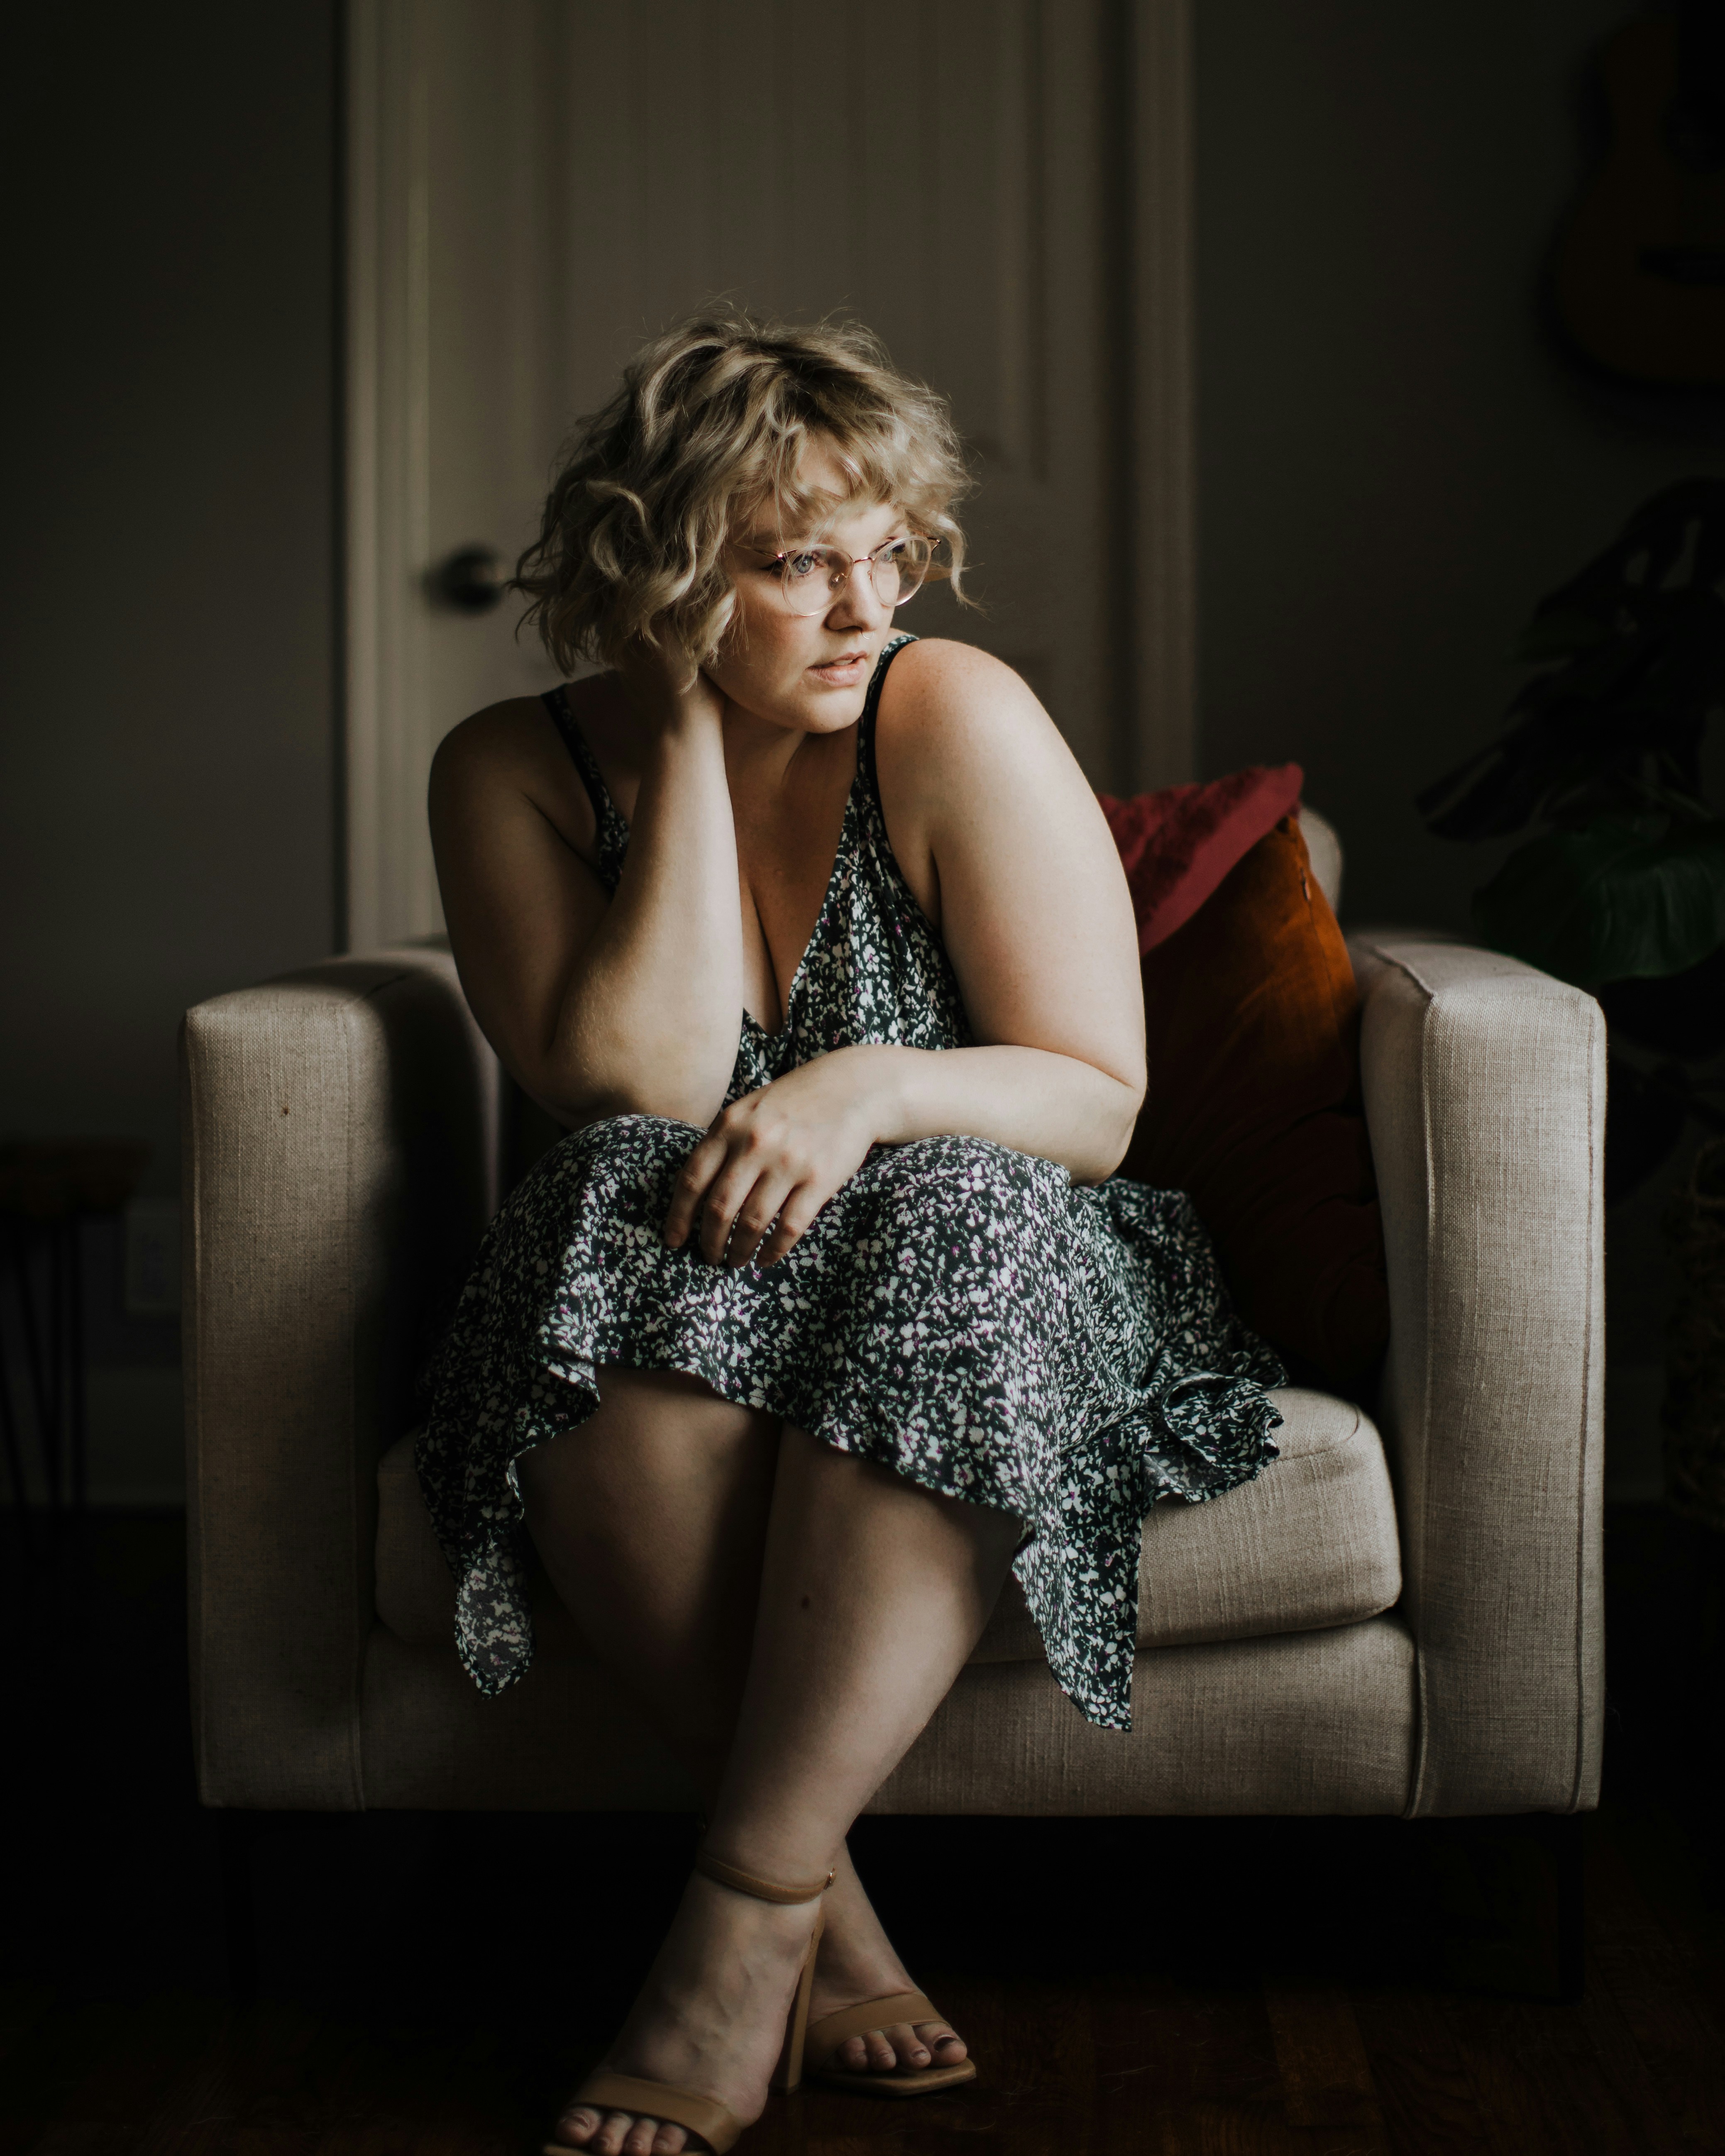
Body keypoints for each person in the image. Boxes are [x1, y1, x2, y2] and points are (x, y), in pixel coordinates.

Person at [421, 314, 1285, 2156]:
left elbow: (1088, 1099)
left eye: (889, 553)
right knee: (594, 1213)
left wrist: (867, 1087)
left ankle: (731, 1934)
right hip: (711, 1258)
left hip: (1001, 1254)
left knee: (959, 1203)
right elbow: (633, 1092)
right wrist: (677, 735)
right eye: (793, 562)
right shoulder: (511, 768)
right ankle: (836, 1914)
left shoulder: (945, 709)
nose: (861, 604)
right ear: (660, 577)